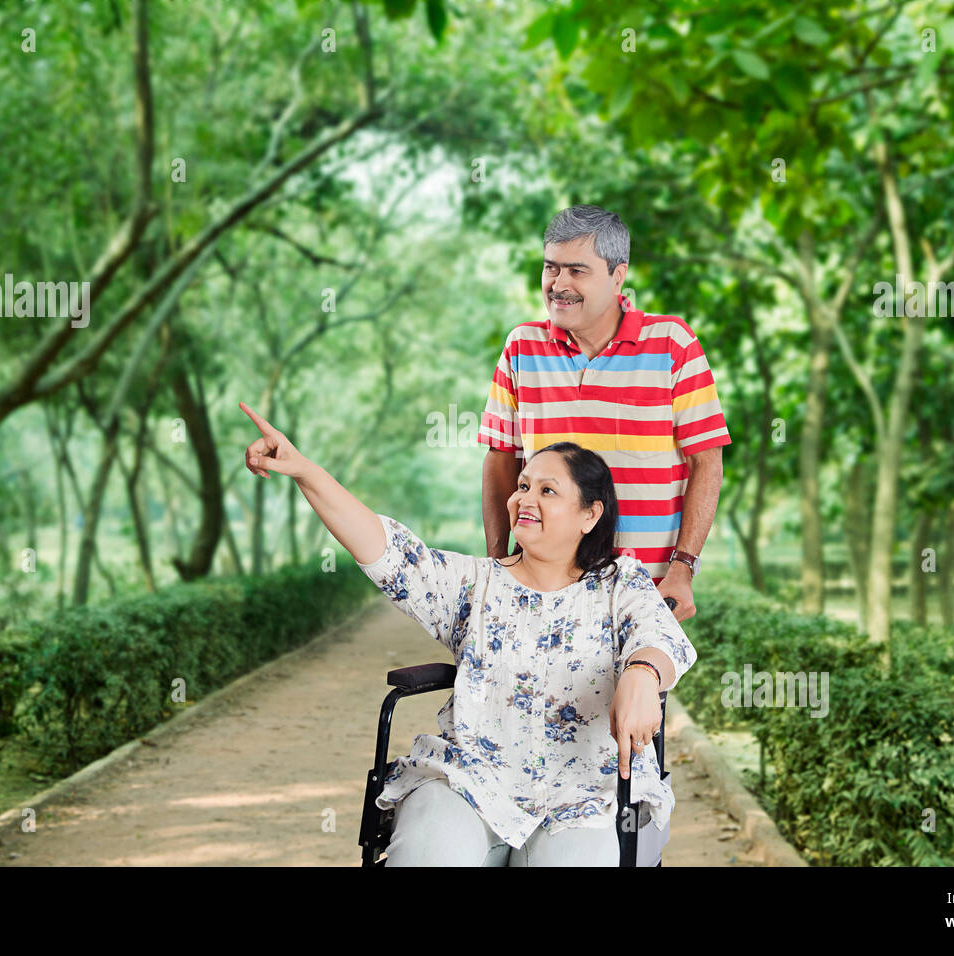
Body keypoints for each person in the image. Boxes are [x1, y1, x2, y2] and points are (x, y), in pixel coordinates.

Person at [240, 401, 696, 867]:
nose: (524, 499)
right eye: (522, 486)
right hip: (473, 782)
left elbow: (658, 637)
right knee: (428, 850)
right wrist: (304, 471)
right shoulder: (475, 584)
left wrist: (641, 673)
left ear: (589, 514)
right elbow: (385, 549)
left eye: (548, 490)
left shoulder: (620, 583)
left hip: (588, 790)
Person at [479, 204, 731, 621]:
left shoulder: (673, 344)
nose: (559, 284)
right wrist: (497, 562)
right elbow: (501, 457)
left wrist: (682, 568)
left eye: (577, 271)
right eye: (551, 268)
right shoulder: (522, 346)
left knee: (637, 686)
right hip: (542, 585)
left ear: (618, 275)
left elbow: (707, 461)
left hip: (642, 590)